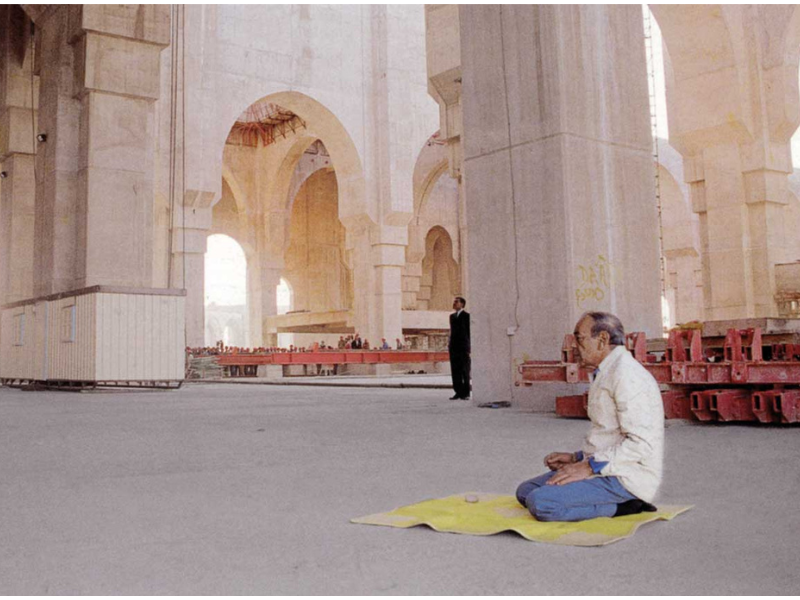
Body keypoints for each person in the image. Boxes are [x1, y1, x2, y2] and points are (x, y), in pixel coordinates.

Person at [515, 311, 664, 521]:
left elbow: (641, 444)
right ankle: (597, 496)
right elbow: (609, 433)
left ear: (602, 339)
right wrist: (576, 458)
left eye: (580, 339)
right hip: (603, 466)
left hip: (626, 476)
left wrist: (587, 467)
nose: (575, 347)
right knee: (525, 491)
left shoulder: (629, 376)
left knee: (541, 502)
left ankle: (624, 507)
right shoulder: (606, 371)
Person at [448, 296, 471, 400]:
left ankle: (466, 393)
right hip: (454, 347)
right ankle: (458, 391)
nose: (454, 303)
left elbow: (469, 332)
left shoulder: (467, 316)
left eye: (456, 302)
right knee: (455, 370)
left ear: (462, 304)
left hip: (463, 347)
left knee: (464, 370)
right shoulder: (452, 317)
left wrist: (469, 347)